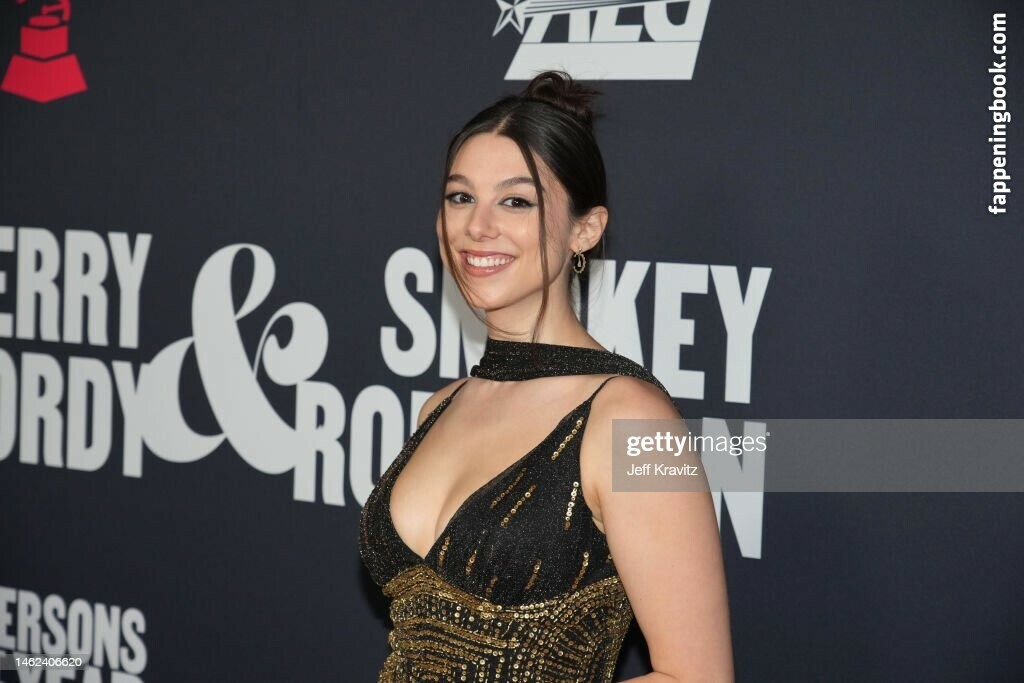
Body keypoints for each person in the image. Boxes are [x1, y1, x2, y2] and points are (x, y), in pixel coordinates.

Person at [359, 70, 733, 682]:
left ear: (586, 229)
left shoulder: (633, 420)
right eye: (459, 197)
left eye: (516, 201)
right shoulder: (440, 407)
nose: (477, 226)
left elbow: (698, 678)